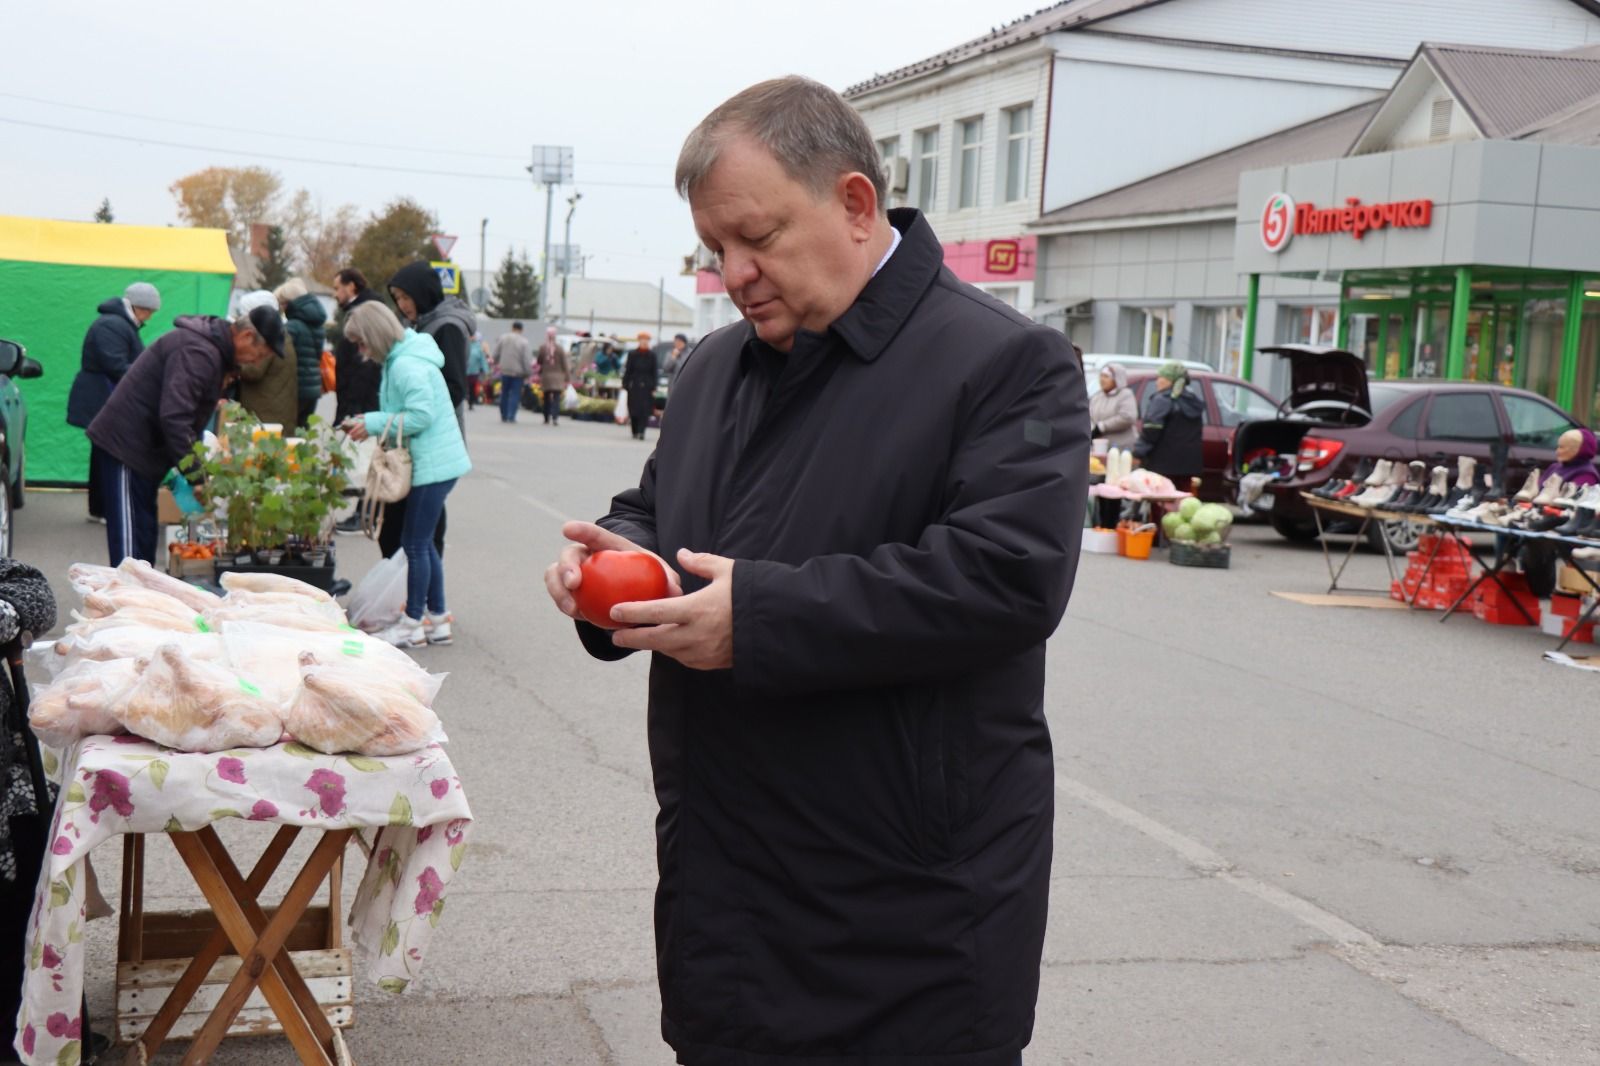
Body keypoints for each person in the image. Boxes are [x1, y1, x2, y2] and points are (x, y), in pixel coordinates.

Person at [542, 75, 1085, 1066]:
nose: (734, 273)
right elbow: (664, 518)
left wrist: (763, 619)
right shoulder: (713, 370)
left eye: (758, 237)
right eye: (715, 250)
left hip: (904, 917)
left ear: (853, 202)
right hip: (726, 892)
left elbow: (1008, 574)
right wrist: (610, 568)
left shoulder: (1003, 362)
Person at [87, 307, 283, 564]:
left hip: (144, 452)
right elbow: (176, 417)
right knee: (130, 551)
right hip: (127, 447)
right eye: (262, 354)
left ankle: (143, 599)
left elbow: (189, 419)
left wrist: (198, 469)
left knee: (144, 537)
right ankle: (126, 600)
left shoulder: (212, 352)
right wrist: (196, 477)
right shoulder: (198, 352)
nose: (256, 362)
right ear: (246, 336)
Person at [341, 302, 470, 648]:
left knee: (414, 543)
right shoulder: (405, 359)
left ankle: (412, 622)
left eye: (362, 343)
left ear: (375, 336)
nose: (361, 351)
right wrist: (372, 422)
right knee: (423, 543)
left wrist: (371, 423)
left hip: (433, 464)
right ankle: (438, 619)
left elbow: (419, 417)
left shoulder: (405, 366)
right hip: (438, 462)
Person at [0, 558, 58, 1059]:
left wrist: (9, 612)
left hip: (8, 776)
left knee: (36, 829)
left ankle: (26, 1022)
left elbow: (35, 590)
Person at [66, 282, 160, 524]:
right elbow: (116, 365)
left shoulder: (119, 324)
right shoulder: (112, 325)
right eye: (149, 311)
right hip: (101, 396)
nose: (149, 317)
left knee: (102, 454)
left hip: (103, 395)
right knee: (107, 454)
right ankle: (105, 508)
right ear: (139, 307)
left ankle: (100, 508)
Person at [388, 262, 473, 439]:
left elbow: (454, 388)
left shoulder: (447, 327)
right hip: (424, 428)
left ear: (422, 293)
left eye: (406, 297)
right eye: (397, 298)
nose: (401, 304)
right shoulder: (419, 324)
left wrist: (417, 410)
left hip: (440, 434)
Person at [231, 291, 298, 429]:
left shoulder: (267, 340)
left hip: (265, 412)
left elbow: (254, 371)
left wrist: (232, 363)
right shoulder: (281, 336)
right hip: (276, 409)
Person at [1132, 360, 1204, 486]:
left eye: (1161, 377)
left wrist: (1138, 452)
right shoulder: (1193, 400)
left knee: (1161, 502)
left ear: (1170, 380)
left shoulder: (1162, 400)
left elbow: (1151, 430)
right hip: (1189, 466)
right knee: (1183, 503)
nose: (1157, 381)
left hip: (1162, 467)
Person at [331, 268, 383, 425]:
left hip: (360, 407)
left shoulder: (365, 313)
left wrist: (350, 410)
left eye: (337, 288)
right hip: (356, 403)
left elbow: (364, 365)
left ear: (351, 286)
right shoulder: (359, 309)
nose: (335, 294)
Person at [275, 278, 328, 429]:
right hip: (313, 387)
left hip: (295, 388)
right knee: (303, 433)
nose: (281, 308)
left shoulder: (292, 326)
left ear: (290, 303)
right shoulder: (318, 325)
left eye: (282, 303)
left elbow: (282, 355)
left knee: (289, 434)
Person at [491, 322, 533, 424]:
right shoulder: (524, 342)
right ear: (521, 330)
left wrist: (496, 362)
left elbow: (495, 353)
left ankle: (503, 415)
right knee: (515, 394)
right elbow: (526, 359)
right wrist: (528, 372)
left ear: (512, 328)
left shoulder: (503, 338)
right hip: (518, 373)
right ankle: (511, 416)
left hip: (504, 370)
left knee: (504, 393)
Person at [1089, 363, 1138, 449]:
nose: (1102, 380)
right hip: (1100, 446)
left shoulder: (1125, 395)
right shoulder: (1098, 396)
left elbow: (1128, 417)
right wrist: (1092, 429)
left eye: (1106, 377)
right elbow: (1089, 415)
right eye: (1101, 376)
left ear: (1117, 379)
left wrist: (1102, 426)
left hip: (1121, 447)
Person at [620, 332, 657, 440]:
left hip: (646, 387)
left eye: (646, 340)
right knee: (633, 410)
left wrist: (654, 387)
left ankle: (642, 432)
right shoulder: (632, 354)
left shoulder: (652, 355)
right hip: (634, 386)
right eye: (642, 339)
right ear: (639, 341)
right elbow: (628, 370)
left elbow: (654, 372)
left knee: (644, 411)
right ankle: (635, 430)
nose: (644, 342)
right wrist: (625, 384)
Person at [537, 327, 570, 426]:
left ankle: (546, 418)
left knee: (546, 398)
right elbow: (564, 364)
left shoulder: (543, 348)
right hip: (558, 376)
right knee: (556, 398)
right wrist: (567, 376)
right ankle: (555, 417)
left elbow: (539, 361)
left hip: (546, 376)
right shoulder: (560, 348)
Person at [465, 331, 489, 409]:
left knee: (472, 387)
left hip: (474, 371)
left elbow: (483, 360)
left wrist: (486, 370)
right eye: (471, 336)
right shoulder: (465, 345)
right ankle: (466, 399)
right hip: (465, 371)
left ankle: (471, 402)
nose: (472, 338)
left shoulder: (479, 347)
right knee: (466, 386)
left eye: (473, 336)